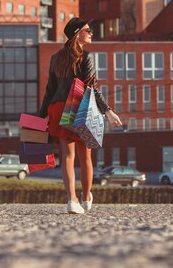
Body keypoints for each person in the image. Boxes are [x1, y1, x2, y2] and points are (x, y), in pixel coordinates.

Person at [38, 17, 123, 214]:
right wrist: (107, 110)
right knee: (85, 157)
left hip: (58, 109)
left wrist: (41, 116)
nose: (91, 33)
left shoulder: (55, 58)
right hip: (79, 109)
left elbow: (49, 91)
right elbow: (92, 88)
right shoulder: (86, 57)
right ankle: (85, 196)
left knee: (67, 156)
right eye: (87, 30)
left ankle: (72, 200)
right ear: (77, 34)